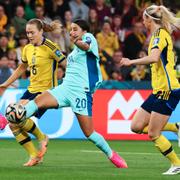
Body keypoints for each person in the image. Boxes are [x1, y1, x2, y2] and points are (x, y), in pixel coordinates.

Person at [8, 19, 128, 169]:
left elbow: (85, 46)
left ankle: (111, 154)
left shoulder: (89, 37)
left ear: (84, 30)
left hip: (81, 92)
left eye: (75, 29)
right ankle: (14, 117)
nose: (72, 32)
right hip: (65, 88)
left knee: (89, 133)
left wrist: (76, 40)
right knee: (38, 101)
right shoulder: (73, 52)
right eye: (71, 29)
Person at [120, 5, 180, 175]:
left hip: (168, 90)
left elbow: (153, 58)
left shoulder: (158, 36)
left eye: (143, 19)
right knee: (136, 126)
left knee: (153, 133)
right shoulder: (159, 34)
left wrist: (131, 62)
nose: (142, 22)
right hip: (159, 90)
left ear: (149, 19)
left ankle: (177, 163)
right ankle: (176, 127)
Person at [0, 18, 66, 166]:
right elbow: (21, 69)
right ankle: (34, 155)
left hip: (46, 93)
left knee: (16, 116)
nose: (29, 35)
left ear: (41, 31)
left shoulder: (50, 46)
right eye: (27, 32)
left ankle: (42, 137)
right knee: (13, 123)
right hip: (31, 89)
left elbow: (66, 63)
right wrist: (5, 84)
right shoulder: (27, 49)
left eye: (32, 32)